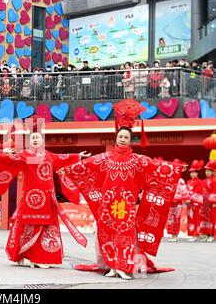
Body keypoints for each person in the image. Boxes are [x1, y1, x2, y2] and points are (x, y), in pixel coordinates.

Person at [60, 99, 182, 279]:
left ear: (130, 139)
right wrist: (68, 167)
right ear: (116, 138)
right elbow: (88, 166)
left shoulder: (138, 160)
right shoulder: (105, 158)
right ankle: (111, 266)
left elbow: (156, 167)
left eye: (126, 137)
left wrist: (175, 168)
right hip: (108, 203)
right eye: (120, 137)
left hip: (126, 203)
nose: (123, 139)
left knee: (125, 233)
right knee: (108, 232)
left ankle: (124, 266)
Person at [0, 116, 90, 268]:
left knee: (46, 227)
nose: (35, 140)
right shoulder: (26, 155)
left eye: (37, 137)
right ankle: (30, 258)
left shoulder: (49, 155)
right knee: (27, 226)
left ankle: (38, 258)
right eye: (32, 137)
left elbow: (62, 158)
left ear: (42, 140)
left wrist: (79, 156)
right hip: (31, 198)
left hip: (48, 197)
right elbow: (11, 158)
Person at [166, 159, 189, 242]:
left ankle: (175, 235)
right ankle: (172, 234)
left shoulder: (181, 181)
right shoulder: (169, 180)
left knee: (176, 218)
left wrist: (179, 199)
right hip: (170, 203)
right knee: (170, 219)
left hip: (178, 203)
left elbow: (184, 192)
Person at [185, 160, 205, 242]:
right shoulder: (188, 182)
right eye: (191, 172)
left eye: (194, 172)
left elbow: (199, 193)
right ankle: (191, 233)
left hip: (196, 204)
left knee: (196, 219)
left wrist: (190, 199)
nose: (192, 174)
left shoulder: (200, 182)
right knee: (190, 219)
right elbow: (185, 191)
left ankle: (196, 234)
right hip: (189, 204)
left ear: (197, 173)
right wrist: (186, 199)